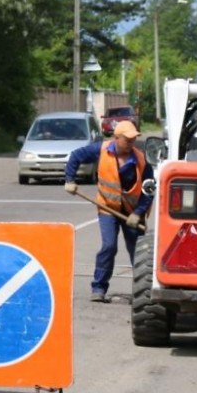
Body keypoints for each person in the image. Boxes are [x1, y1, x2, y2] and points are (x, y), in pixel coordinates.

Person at [64, 120, 154, 303]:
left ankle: (145, 292)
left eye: (133, 139)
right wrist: (70, 180)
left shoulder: (141, 161)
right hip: (107, 208)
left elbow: (149, 190)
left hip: (132, 213)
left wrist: (138, 213)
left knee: (138, 252)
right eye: (127, 139)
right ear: (116, 138)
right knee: (109, 246)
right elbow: (75, 156)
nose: (131, 143)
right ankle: (98, 288)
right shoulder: (101, 150)